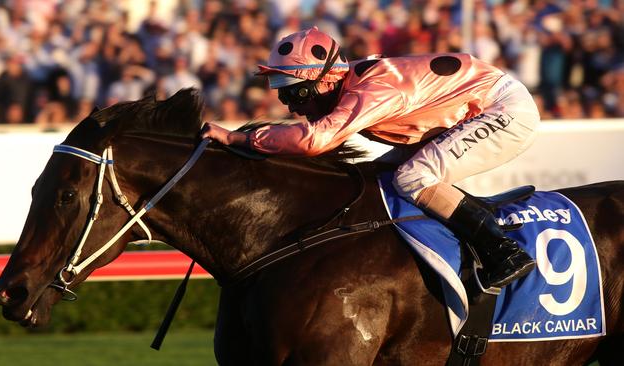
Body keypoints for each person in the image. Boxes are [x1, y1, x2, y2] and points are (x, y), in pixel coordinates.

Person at [202, 27, 539, 289]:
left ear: (323, 81)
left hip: (502, 108)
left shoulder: (370, 91)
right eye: (282, 93)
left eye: (295, 92)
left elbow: (316, 140)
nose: (290, 106)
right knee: (375, 176)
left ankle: (504, 251)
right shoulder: (352, 86)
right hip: (470, 108)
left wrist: (237, 138)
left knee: (413, 177)